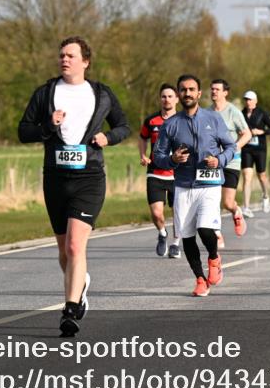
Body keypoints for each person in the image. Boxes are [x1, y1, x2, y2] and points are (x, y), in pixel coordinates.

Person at [18, 36, 130, 337]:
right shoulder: (45, 93)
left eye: (70, 55)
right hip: (55, 178)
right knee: (64, 253)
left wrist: (109, 138)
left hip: (89, 176)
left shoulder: (102, 94)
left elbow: (123, 125)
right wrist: (47, 126)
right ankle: (80, 283)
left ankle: (70, 309)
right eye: (61, 55)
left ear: (85, 61)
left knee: (74, 245)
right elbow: (23, 130)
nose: (64, 60)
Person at [153, 74, 237, 297]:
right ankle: (200, 279)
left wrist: (219, 160)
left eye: (192, 89)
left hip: (209, 183)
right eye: (183, 90)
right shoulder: (170, 124)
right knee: (187, 235)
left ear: (199, 93)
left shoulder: (213, 118)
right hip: (183, 185)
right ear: (179, 94)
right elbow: (158, 156)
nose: (187, 93)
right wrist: (172, 160)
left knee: (204, 228)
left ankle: (213, 257)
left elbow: (231, 147)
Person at [138, 84, 180, 259]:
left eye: (170, 96)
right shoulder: (151, 121)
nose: (167, 99)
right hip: (155, 172)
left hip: (179, 175)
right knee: (156, 213)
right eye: (164, 96)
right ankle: (162, 233)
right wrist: (142, 154)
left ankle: (176, 244)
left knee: (179, 213)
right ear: (160, 99)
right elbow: (142, 137)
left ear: (177, 99)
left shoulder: (184, 120)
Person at [208, 79, 251, 245]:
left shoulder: (233, 112)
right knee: (212, 201)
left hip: (231, 162)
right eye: (212, 89)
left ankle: (236, 211)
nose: (214, 92)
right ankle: (217, 235)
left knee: (226, 202)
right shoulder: (205, 113)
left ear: (225, 92)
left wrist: (235, 147)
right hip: (212, 163)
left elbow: (246, 134)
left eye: (217, 89)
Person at [241, 90, 270, 216]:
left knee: (261, 176)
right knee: (247, 177)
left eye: (250, 99)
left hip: (260, 149)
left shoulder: (262, 113)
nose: (248, 102)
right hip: (246, 149)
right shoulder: (241, 114)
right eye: (246, 99)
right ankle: (246, 207)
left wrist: (262, 132)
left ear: (255, 101)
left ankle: (266, 196)